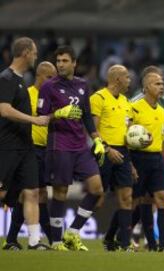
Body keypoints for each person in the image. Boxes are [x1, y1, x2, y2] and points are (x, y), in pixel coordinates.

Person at [37, 45, 106, 251]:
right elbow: (40, 118)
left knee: (97, 189)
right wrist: (58, 114)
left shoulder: (83, 85)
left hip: (80, 147)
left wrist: (97, 139)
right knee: (60, 192)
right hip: (60, 145)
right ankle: (57, 243)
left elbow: (86, 116)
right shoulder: (48, 87)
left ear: (74, 63)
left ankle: (73, 232)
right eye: (58, 61)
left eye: (65, 61)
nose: (60, 65)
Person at [0, 37, 50, 250]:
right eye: (35, 52)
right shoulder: (6, 78)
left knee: (32, 192)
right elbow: (4, 109)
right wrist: (34, 120)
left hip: (26, 147)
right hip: (7, 146)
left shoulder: (21, 79)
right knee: (2, 193)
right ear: (25, 52)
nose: (36, 56)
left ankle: (34, 241)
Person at [90, 65, 137, 251]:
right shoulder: (98, 98)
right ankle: (72, 232)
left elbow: (129, 135)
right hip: (103, 151)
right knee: (97, 199)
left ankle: (124, 244)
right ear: (117, 79)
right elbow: (93, 130)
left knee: (126, 197)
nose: (129, 80)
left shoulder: (127, 103)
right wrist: (108, 149)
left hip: (123, 153)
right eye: (127, 77)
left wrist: (131, 162)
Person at [130, 69, 164, 252]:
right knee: (137, 202)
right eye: (157, 83)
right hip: (138, 158)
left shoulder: (163, 111)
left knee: (162, 198)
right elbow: (127, 136)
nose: (161, 87)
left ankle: (162, 245)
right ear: (146, 87)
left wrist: (163, 161)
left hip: (157, 159)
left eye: (162, 84)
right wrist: (130, 164)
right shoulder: (134, 107)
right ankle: (120, 238)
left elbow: (163, 139)